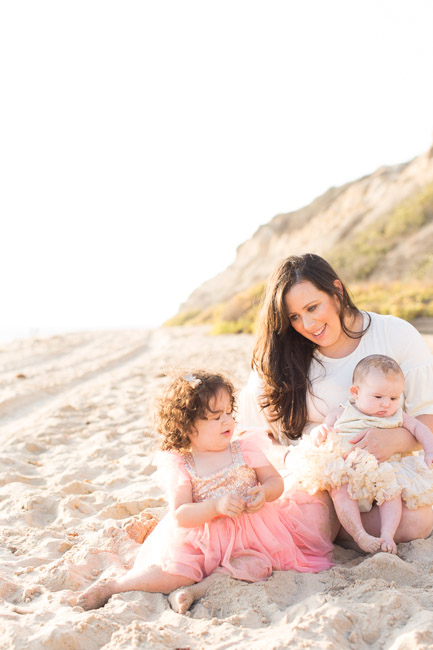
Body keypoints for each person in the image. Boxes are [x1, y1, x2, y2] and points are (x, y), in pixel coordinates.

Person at [77, 370, 333, 613]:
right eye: (214, 417)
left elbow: (274, 482)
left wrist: (264, 493)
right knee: (176, 572)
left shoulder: (245, 447)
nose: (226, 421)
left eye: (228, 412)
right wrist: (215, 507)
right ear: (187, 428)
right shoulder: (182, 463)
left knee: (256, 565)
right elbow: (181, 513)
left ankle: (198, 591)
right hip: (202, 538)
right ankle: (117, 586)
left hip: (253, 533)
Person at [238, 253, 433, 549]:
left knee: (415, 522)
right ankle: (325, 524)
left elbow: (427, 415)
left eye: (313, 307)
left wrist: (394, 440)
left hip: (383, 470)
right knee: (313, 508)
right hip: (318, 473)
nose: (307, 324)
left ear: (337, 291)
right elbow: (247, 435)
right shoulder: (280, 355)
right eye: (294, 317)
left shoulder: (395, 335)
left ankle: (328, 528)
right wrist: (292, 459)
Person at [285, 354, 433, 554]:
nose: (386, 404)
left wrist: (429, 449)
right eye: (378, 397)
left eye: (393, 398)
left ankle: (387, 534)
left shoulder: (397, 416)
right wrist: (320, 431)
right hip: (350, 471)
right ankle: (359, 534)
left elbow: (420, 429)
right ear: (356, 392)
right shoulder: (342, 412)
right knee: (340, 489)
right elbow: (323, 430)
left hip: (385, 471)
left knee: (392, 493)